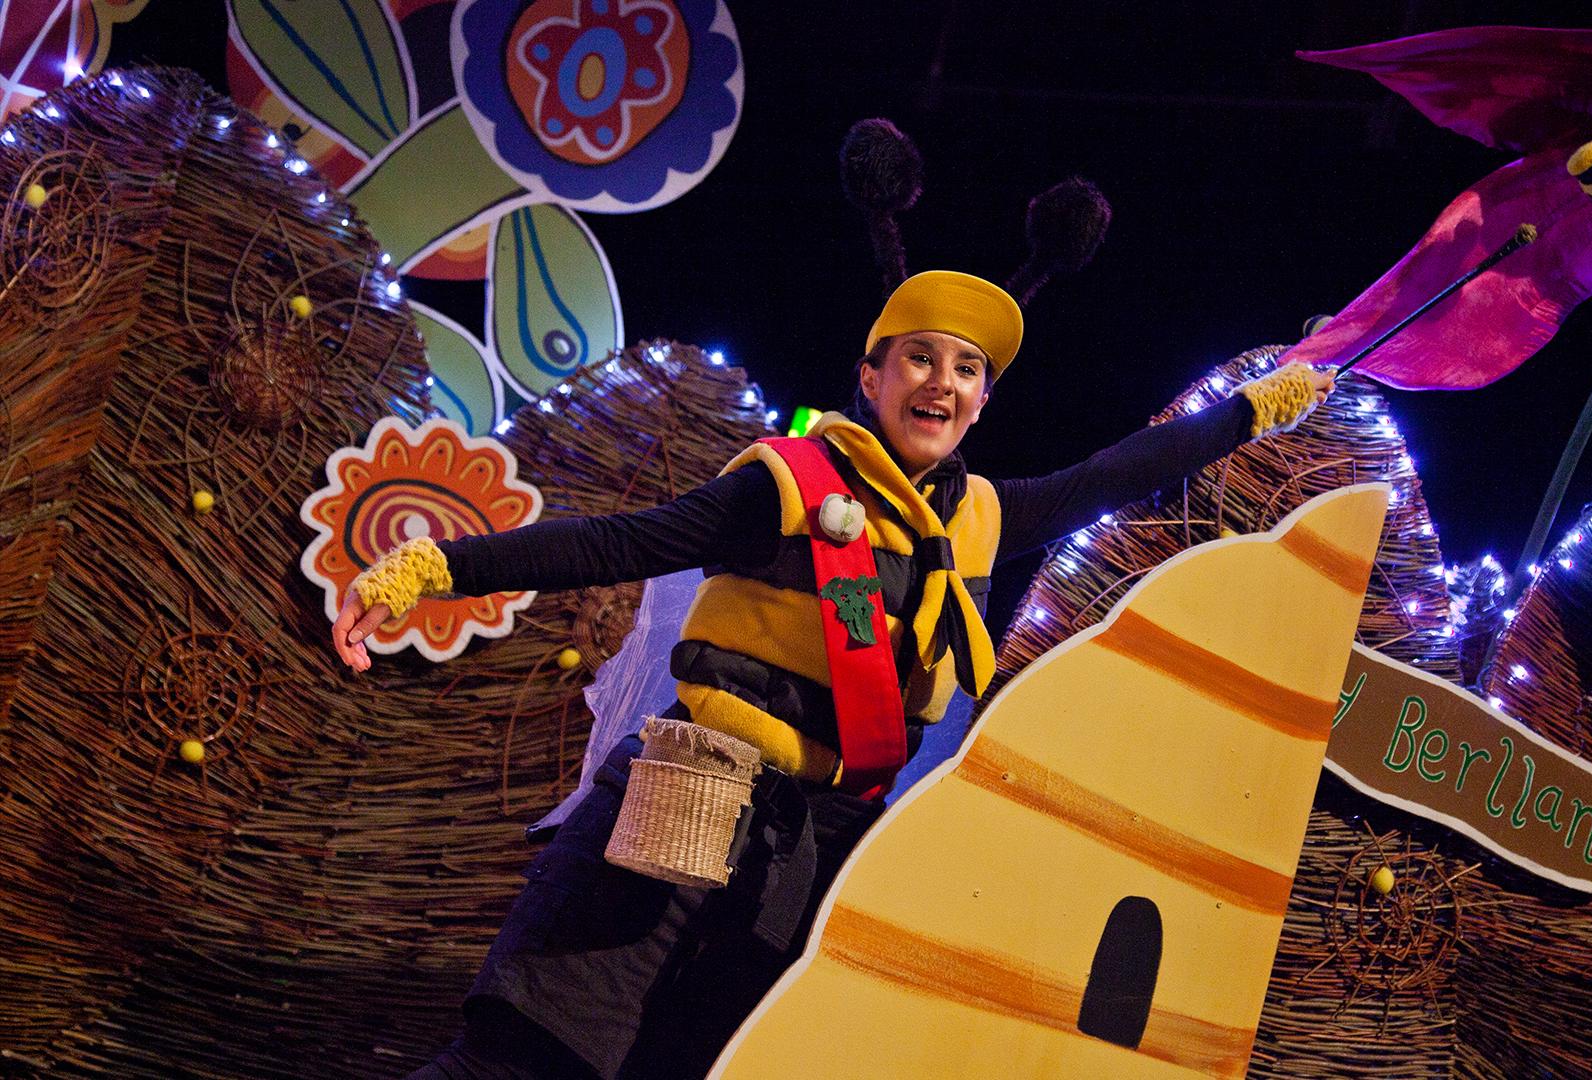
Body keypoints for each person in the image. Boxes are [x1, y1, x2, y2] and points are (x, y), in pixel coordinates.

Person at [331, 271, 1332, 1079]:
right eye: (920, 358)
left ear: (985, 401)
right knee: (528, 1056)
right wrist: (434, 568)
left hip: (809, 850)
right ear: (873, 374)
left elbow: (1122, 470)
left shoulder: (978, 515)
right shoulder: (786, 483)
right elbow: (613, 543)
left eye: (966, 367)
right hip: (687, 804)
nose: (941, 381)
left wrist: (1266, 402)